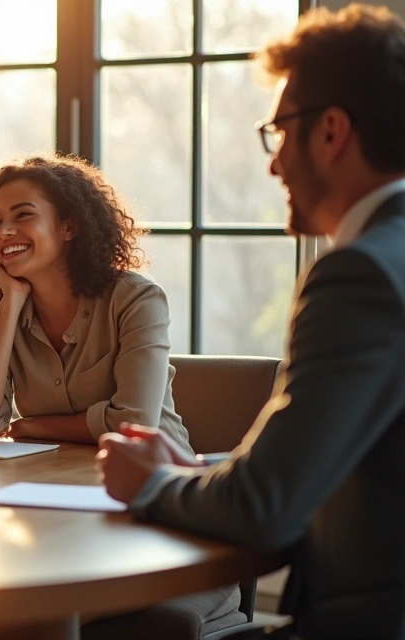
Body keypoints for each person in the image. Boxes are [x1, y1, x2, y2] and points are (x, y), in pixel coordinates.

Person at [97, 5, 405, 639]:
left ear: (331, 132)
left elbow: (266, 507)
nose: (274, 164)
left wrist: (153, 484)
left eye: (280, 132)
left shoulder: (359, 277)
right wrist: (194, 475)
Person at [0, 154, 191, 450]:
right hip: (51, 479)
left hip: (154, 482)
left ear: (68, 227)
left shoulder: (136, 299)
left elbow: (134, 424)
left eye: (23, 215)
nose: (4, 232)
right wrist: (11, 303)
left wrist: (35, 427)